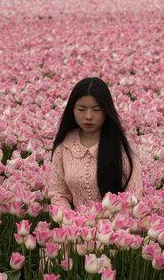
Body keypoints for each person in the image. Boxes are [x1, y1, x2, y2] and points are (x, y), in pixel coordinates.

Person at [49, 77, 142, 211]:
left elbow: (134, 195)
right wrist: (71, 223)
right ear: (72, 110)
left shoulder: (121, 145)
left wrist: (113, 226)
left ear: (106, 110)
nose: (88, 116)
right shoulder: (65, 144)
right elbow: (59, 194)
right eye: (81, 109)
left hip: (115, 228)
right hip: (74, 228)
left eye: (96, 110)